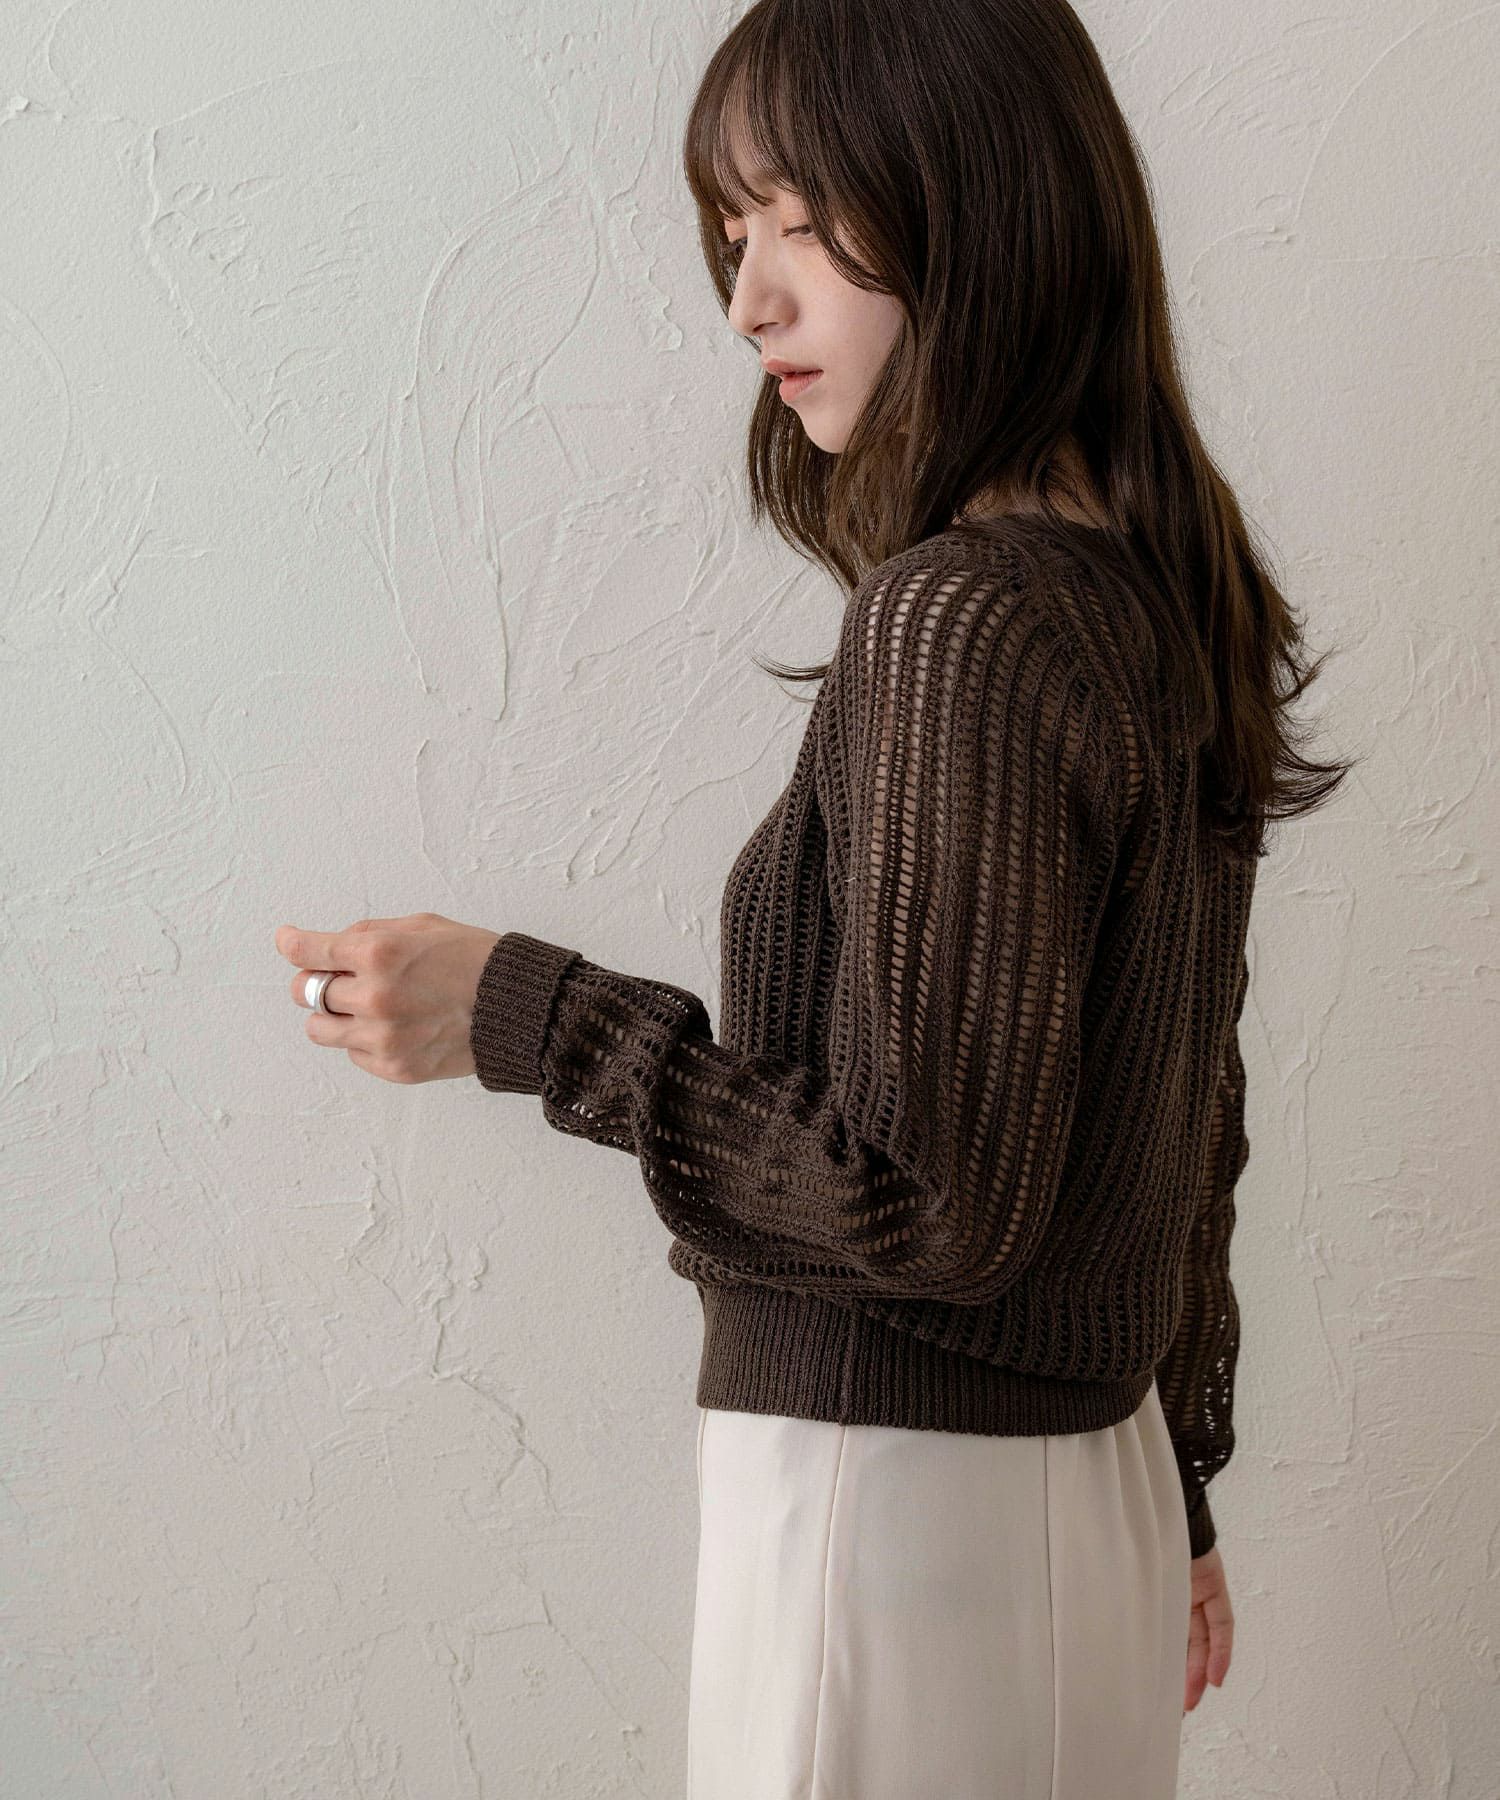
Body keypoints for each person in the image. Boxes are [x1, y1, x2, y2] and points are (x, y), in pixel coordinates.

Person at [274, 1, 1353, 1793]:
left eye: (802, 216)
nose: (750, 299)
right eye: (734, 232)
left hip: (895, 1517)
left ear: (974, 196)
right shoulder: (1140, 601)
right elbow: (1184, 1114)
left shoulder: (962, 618)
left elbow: (926, 1201)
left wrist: (521, 1013)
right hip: (1079, 1498)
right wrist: (1173, 1480)